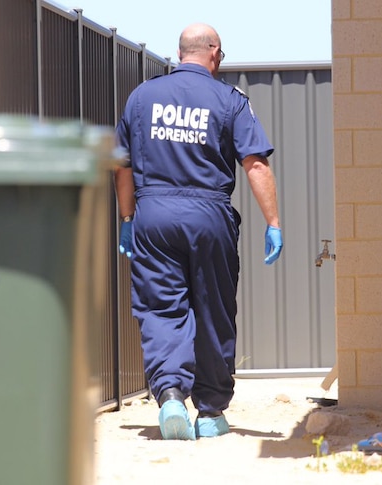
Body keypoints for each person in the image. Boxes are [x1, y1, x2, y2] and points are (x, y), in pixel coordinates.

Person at [114, 23, 282, 441]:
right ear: (215, 53)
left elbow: (121, 164)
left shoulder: (142, 97)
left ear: (179, 53)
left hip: (153, 214)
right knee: (212, 310)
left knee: (160, 308)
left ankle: (170, 395)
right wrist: (273, 222)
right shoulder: (229, 100)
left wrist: (128, 219)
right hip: (209, 215)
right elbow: (255, 164)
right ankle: (210, 412)